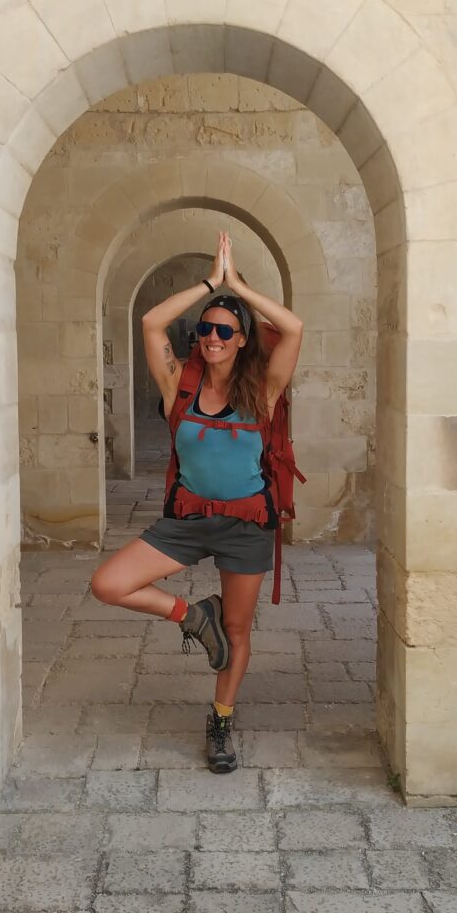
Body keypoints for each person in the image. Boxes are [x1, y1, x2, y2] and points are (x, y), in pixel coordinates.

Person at [91, 232, 304, 773]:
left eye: (225, 330)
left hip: (246, 526)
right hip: (187, 520)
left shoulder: (263, 390)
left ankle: (221, 720)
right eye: (206, 328)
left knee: (237, 631)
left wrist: (238, 289)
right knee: (109, 584)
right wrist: (211, 284)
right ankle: (194, 616)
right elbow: (151, 323)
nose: (212, 337)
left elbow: (294, 328)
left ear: (241, 339)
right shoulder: (176, 384)